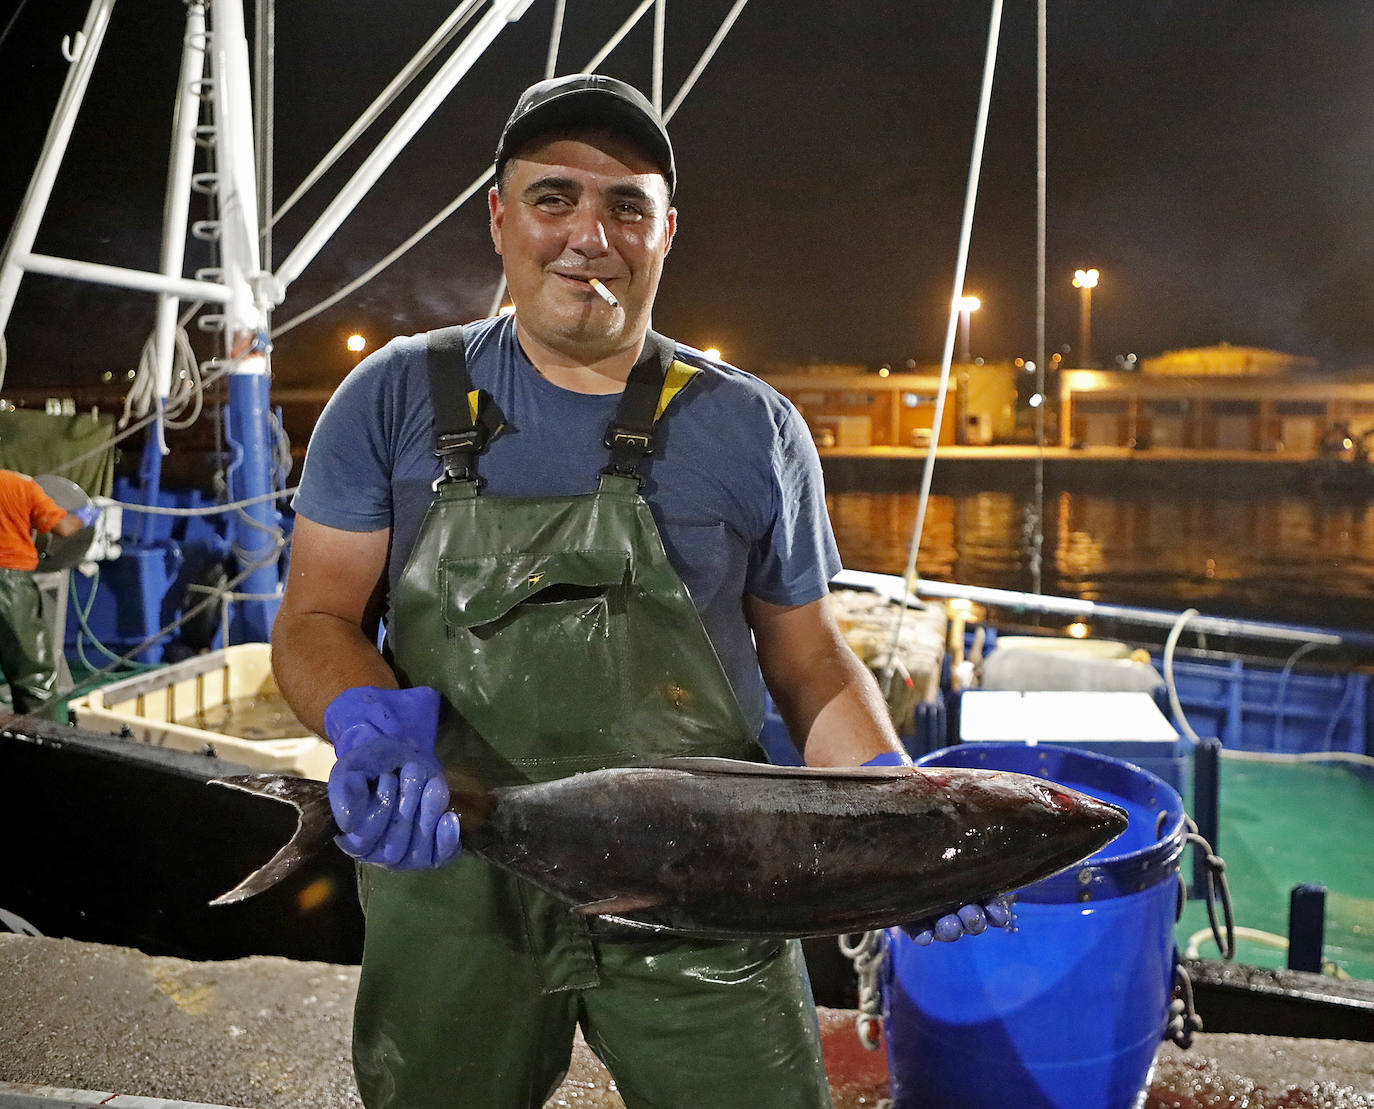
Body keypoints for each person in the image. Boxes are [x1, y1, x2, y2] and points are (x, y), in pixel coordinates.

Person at [272, 74, 1009, 1108]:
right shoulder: (394, 395)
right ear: (499, 216)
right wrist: (364, 722)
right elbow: (314, 617)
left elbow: (806, 658)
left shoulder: (752, 426)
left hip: (711, 890)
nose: (589, 234)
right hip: (457, 867)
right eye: (553, 197)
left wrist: (898, 808)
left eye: (627, 204)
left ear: (668, 230)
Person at [0, 470, 97, 715]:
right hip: (9, 584)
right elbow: (62, 528)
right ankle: (41, 742)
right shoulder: (19, 485)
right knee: (33, 679)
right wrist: (85, 516)